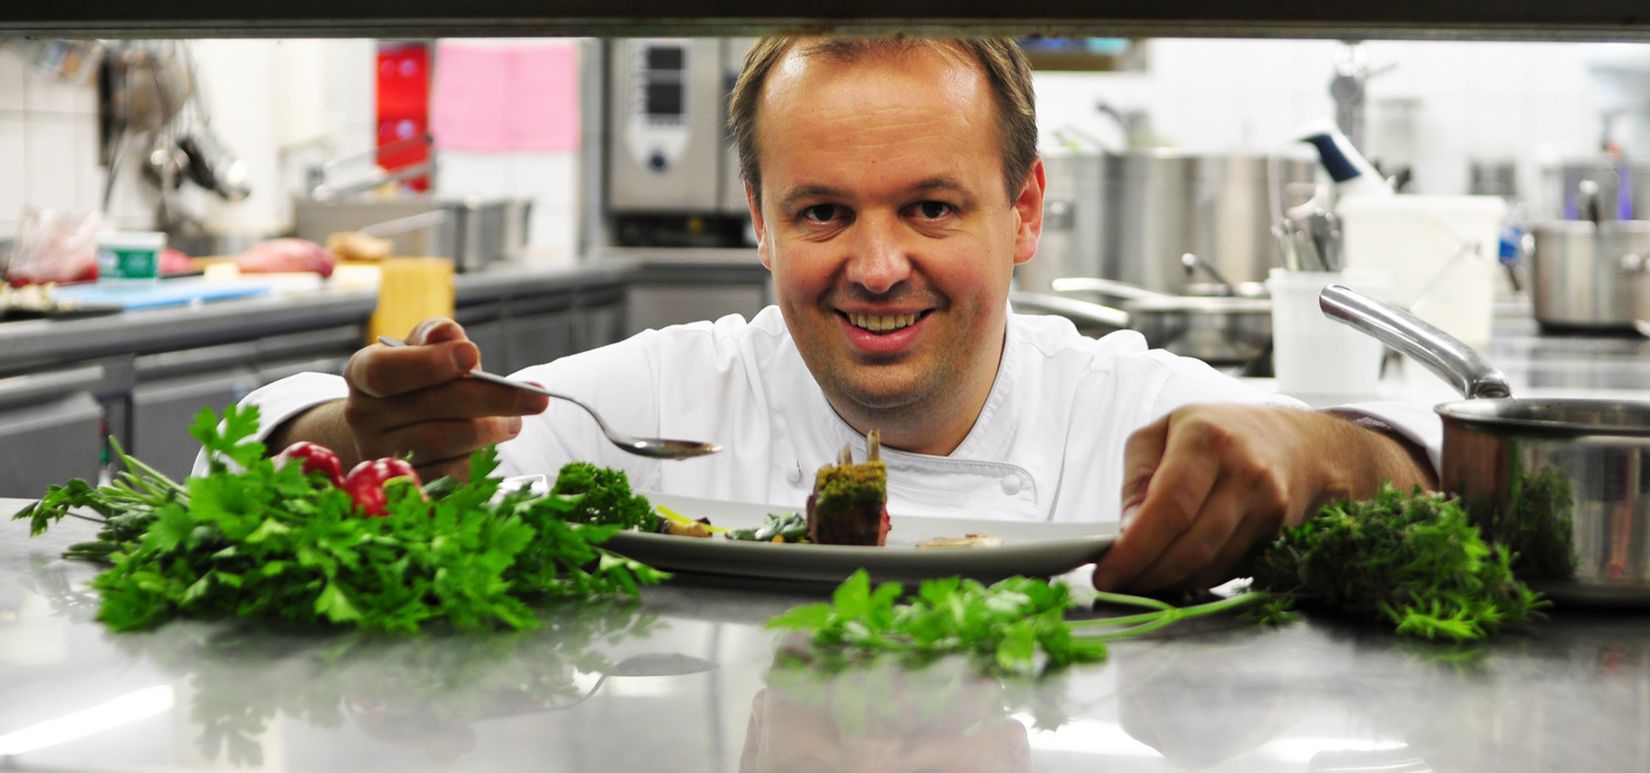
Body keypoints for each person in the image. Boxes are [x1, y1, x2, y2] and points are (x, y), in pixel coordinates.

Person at [215, 36, 1438, 593]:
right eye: (819, 214)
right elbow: (264, 435)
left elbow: (1422, 453)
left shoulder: (1119, 404)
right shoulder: (661, 399)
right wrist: (356, 426)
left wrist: (1326, 452)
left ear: (1024, 213)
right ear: (757, 217)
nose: (875, 264)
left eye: (930, 207)